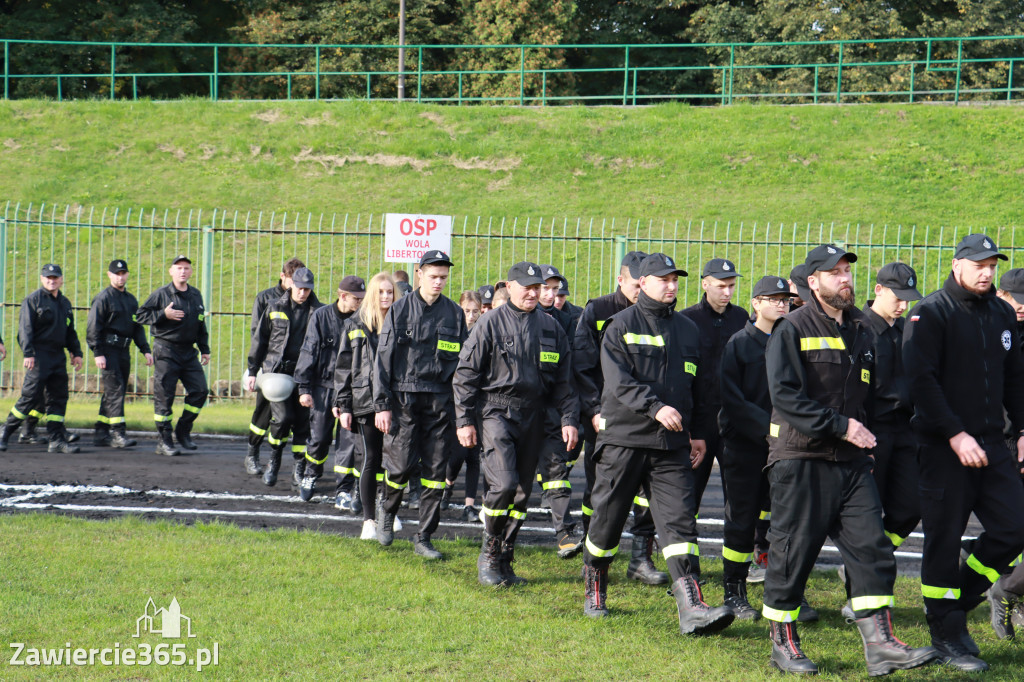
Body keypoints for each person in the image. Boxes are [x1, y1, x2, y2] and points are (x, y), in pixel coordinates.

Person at [764, 244, 935, 676]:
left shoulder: (861, 330)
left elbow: (868, 396)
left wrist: (865, 440)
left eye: (847, 271)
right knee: (793, 553)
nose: (845, 279)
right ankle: (783, 643)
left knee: (872, 548)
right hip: (802, 457)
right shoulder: (792, 328)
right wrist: (841, 426)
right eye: (834, 272)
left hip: (853, 463)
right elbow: (785, 396)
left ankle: (881, 645)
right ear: (813, 281)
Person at [582, 253, 733, 635]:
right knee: (607, 519)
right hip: (624, 440)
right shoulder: (619, 325)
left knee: (680, 522)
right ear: (643, 282)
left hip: (671, 445)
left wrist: (697, 432)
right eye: (663, 280)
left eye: (675, 280)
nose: (671, 286)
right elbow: (618, 382)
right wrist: (655, 407)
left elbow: (696, 386)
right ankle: (595, 586)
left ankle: (692, 605)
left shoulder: (686, 328)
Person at [904, 233, 1024, 671]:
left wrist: (1023, 428)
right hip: (943, 447)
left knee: (1015, 528)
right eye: (979, 264)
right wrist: (954, 433)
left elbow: (1014, 378)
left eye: (993, 264)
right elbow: (921, 382)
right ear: (957, 265)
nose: (987, 272)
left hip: (993, 444)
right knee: (943, 538)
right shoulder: (930, 313)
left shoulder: (1001, 313)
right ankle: (945, 632)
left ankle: (958, 602)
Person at [453, 261, 578, 586]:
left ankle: (506, 557)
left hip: (534, 417)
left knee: (522, 494)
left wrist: (568, 418)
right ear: (510, 287)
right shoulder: (490, 323)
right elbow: (465, 375)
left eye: (538, 288)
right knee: (504, 485)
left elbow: (565, 382)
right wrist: (464, 420)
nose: (534, 293)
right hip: (496, 413)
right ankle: (489, 551)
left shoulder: (551, 328)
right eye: (527, 287)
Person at [574, 251, 667, 585]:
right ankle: (594, 560)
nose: (640, 291)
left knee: (647, 492)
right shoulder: (597, 311)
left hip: (647, 421)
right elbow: (583, 367)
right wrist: (594, 412)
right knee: (602, 493)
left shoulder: (661, 316)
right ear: (621, 279)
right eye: (634, 283)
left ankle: (641, 559)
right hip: (606, 420)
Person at [373, 250, 468, 560]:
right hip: (404, 400)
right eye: (433, 276)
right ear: (419, 274)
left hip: (440, 402)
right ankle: (386, 511)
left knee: (435, 473)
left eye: (443, 277)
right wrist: (382, 405)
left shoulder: (454, 313)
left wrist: (462, 409)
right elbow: (383, 361)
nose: (439, 282)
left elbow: (464, 367)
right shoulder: (399, 311)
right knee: (398, 467)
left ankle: (424, 537)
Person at [717, 275, 796, 620]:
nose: (782, 304)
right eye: (774, 298)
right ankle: (734, 590)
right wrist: (770, 428)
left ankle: (783, 590)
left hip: (785, 446)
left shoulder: (792, 341)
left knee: (783, 518)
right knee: (741, 518)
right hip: (745, 446)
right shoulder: (739, 343)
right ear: (756, 304)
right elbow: (732, 398)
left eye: (786, 299)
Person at [332, 272, 402, 537]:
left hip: (395, 402)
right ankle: (368, 520)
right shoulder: (354, 324)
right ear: (373, 293)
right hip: (364, 402)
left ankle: (388, 512)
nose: (386, 296)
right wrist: (344, 404)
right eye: (381, 291)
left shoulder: (400, 322)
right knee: (371, 459)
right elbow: (343, 368)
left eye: (390, 292)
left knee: (394, 461)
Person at [859, 263, 923, 550]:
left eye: (907, 298)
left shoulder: (905, 330)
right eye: (897, 297)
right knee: (867, 514)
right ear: (878, 290)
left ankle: (876, 556)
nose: (903, 305)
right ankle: (862, 574)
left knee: (911, 507)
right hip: (873, 431)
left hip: (905, 431)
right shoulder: (858, 331)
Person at [681, 258, 749, 519]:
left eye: (731, 286)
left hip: (731, 419)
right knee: (690, 488)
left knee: (738, 491)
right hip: (698, 420)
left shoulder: (742, 317)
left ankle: (745, 550)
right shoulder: (687, 320)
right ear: (705, 284)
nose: (728, 292)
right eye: (721, 286)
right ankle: (682, 546)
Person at [246, 267, 321, 486]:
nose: (303, 293)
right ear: (291, 285)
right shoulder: (274, 306)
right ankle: (274, 460)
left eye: (307, 289)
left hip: (304, 376)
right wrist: (253, 371)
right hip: (276, 372)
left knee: (302, 424)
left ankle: (299, 468)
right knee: (282, 418)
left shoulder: (320, 312)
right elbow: (259, 340)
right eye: (299, 288)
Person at [295, 276, 365, 504]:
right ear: (342, 296)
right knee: (319, 437)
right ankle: (310, 475)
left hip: (350, 390)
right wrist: (304, 388)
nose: (361, 302)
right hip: (322, 388)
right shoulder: (321, 316)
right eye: (357, 298)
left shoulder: (362, 319)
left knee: (348, 441)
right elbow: (309, 351)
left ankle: (343, 490)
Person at [0, 264, 83, 453]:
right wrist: (28, 353)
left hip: (57, 356)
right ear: (41, 278)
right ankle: (5, 432)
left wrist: (76, 352)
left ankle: (56, 440)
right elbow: (25, 330)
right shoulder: (32, 300)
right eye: (48, 277)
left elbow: (70, 330)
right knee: (30, 397)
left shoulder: (65, 303)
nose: (51, 281)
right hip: (39, 356)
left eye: (55, 277)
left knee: (58, 398)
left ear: (61, 280)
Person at [136, 255, 210, 457]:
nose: (183, 271)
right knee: (164, 397)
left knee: (200, 390)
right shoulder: (161, 294)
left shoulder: (195, 295)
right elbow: (139, 315)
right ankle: (164, 440)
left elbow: (200, 323)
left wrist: (204, 348)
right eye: (179, 268)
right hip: (166, 350)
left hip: (188, 352)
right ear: (171, 271)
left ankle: (183, 430)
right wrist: (163, 315)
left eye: (186, 268)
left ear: (191, 271)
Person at [536, 265, 583, 557]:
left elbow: (568, 375)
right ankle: (497, 545)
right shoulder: (509, 319)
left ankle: (564, 534)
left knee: (557, 472)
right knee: (509, 485)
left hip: (553, 411)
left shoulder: (567, 322)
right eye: (546, 289)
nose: (552, 295)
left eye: (556, 289)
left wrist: (568, 416)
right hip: (514, 414)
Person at [988, 267, 1024, 640]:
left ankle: (1009, 589)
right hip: (999, 440)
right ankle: (1007, 588)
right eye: (1017, 300)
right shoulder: (987, 332)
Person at [86, 259, 153, 449]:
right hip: (108, 350)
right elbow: (93, 327)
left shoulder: (131, 300)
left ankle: (101, 431)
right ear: (109, 275)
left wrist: (145, 350)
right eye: (117, 273)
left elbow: (137, 327)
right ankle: (117, 433)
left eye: (123, 273)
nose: (120, 277)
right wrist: (97, 352)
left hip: (124, 350)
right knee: (115, 390)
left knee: (115, 390)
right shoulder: (103, 298)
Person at [441, 291, 485, 522]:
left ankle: (469, 504)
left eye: (475, 311)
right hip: (456, 401)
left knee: (474, 456)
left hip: (479, 402)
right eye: (466, 311)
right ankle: (448, 485)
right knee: (457, 454)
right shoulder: (454, 331)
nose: (470, 315)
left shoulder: (483, 331)